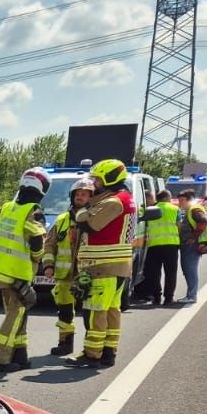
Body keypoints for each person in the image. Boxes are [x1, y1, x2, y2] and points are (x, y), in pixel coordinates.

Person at [0, 167, 49, 371]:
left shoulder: (6, 207)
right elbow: (36, 239)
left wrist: (2, 248)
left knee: (19, 312)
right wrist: (36, 257)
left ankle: (20, 355)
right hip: (18, 273)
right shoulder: (33, 211)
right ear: (43, 189)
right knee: (16, 314)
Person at [72, 158, 137, 368]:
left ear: (110, 178)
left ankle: (93, 353)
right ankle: (108, 352)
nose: (95, 184)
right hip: (116, 264)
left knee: (96, 310)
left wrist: (81, 212)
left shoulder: (113, 201)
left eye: (98, 180)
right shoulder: (124, 198)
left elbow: (90, 225)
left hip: (104, 265)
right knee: (111, 310)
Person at [43, 176, 94, 356]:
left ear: (91, 198)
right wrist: (48, 265)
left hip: (88, 273)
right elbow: (49, 244)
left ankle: (91, 348)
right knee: (64, 311)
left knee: (91, 312)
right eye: (77, 194)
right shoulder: (62, 219)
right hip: (64, 275)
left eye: (84, 194)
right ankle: (65, 343)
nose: (80, 197)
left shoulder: (95, 218)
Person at [139, 189, 181, 306]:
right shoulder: (175, 209)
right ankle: (168, 298)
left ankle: (156, 297)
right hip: (171, 245)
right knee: (170, 273)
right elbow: (179, 226)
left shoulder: (150, 209)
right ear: (167, 198)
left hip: (154, 245)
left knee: (154, 273)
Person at [177, 187, 207, 304]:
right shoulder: (190, 209)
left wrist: (193, 237)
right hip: (188, 245)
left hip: (192, 245)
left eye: (181, 200)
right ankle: (190, 295)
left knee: (190, 270)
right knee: (187, 269)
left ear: (187, 200)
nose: (179, 203)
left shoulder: (194, 209)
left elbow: (203, 221)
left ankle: (191, 296)